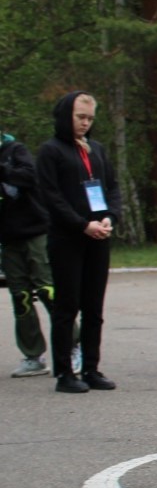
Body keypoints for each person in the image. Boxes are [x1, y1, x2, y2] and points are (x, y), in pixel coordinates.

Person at [36, 91, 119, 393]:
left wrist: (111, 216)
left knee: (93, 307)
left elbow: (112, 187)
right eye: (80, 117)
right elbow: (51, 196)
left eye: (90, 119)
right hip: (68, 238)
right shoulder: (51, 151)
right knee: (67, 305)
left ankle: (91, 368)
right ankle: (64, 372)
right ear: (65, 116)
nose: (85, 123)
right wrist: (82, 224)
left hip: (99, 237)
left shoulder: (96, 150)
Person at [1, 125, 54, 378]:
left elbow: (29, 177)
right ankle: (33, 355)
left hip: (34, 230)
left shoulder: (15, 150)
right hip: (8, 238)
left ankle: (73, 345)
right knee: (20, 297)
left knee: (47, 290)